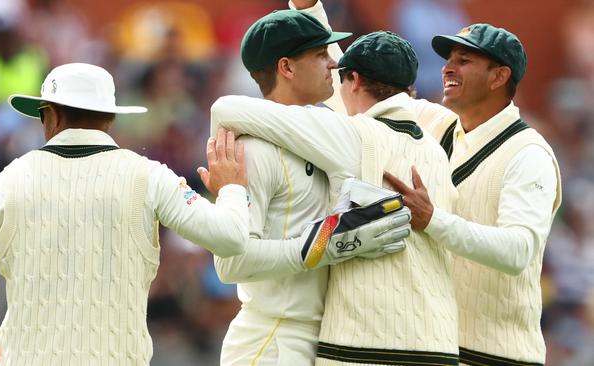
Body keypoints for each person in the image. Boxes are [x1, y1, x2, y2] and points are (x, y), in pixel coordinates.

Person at [0, 62, 252, 366]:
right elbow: (230, 238)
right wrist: (232, 188)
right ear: (110, 118)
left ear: (51, 115)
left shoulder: (6, 181)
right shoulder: (150, 177)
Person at [211, 28, 461, 366]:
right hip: (272, 341)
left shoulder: (340, 135)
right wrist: (320, 245)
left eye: (338, 65)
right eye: (320, 56)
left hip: (329, 343)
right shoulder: (254, 150)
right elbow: (231, 263)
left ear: (354, 81)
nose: (332, 65)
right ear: (286, 67)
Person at [383, 24, 562, 365]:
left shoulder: (529, 155)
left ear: (499, 77)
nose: (448, 68)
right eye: (449, 59)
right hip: (436, 349)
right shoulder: (436, 123)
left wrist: (433, 220)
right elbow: (356, 83)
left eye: (464, 60)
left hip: (499, 356)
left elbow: (517, 251)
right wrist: (309, 8)